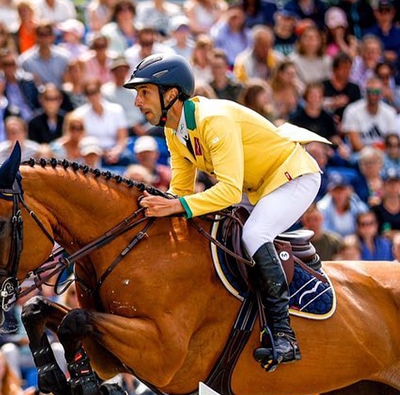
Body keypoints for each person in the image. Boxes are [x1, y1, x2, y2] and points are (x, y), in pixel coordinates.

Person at [128, 53, 326, 370]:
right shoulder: (173, 130)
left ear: (171, 94)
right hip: (258, 188)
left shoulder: (212, 120)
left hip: (294, 177)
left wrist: (176, 205)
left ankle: (284, 335)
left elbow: (228, 192)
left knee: (254, 233)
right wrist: (159, 209)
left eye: (144, 92)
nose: (137, 102)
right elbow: (179, 189)